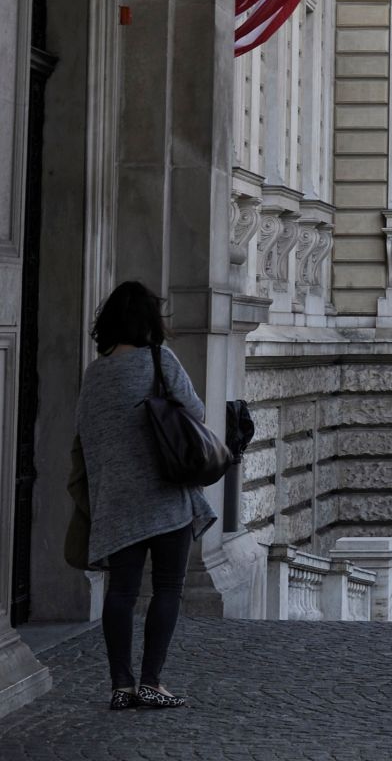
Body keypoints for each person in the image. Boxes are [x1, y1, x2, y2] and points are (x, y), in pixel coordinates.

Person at [75, 281, 216, 711]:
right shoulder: (160, 359)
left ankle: (121, 685)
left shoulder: (95, 373)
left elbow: (85, 435)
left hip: (116, 501)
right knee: (167, 587)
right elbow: (196, 412)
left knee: (120, 592)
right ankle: (152, 682)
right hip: (165, 496)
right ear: (151, 320)